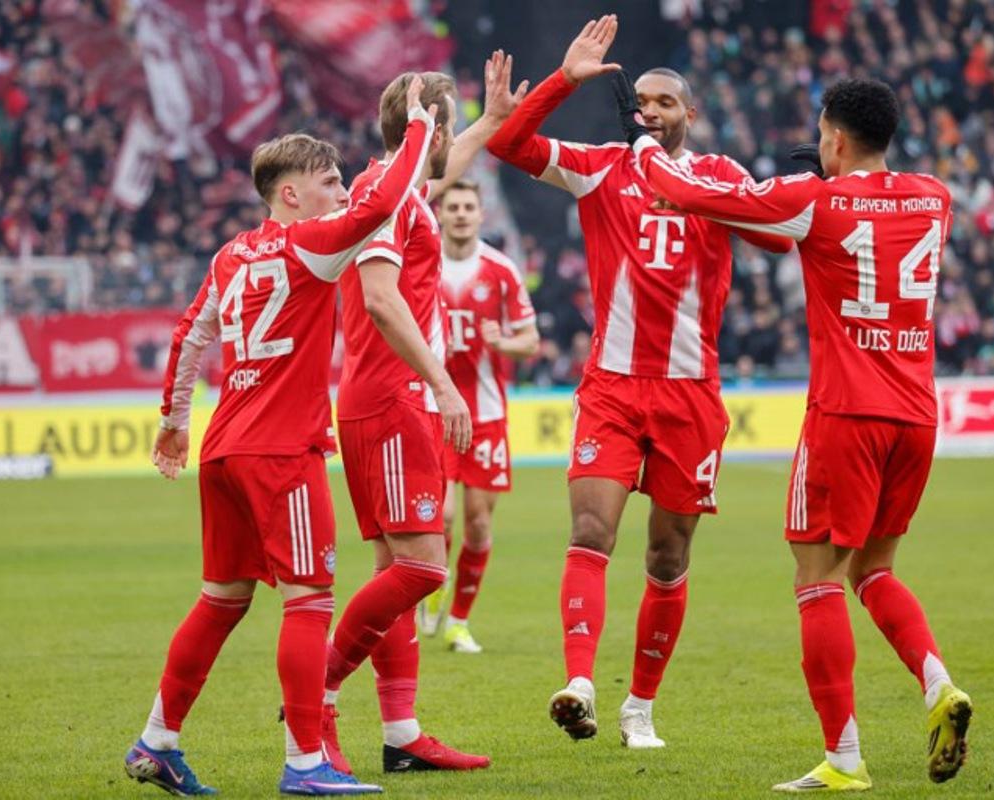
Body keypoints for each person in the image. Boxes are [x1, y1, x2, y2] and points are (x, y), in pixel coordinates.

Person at [616, 73, 973, 791]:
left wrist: (646, 148)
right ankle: (939, 685)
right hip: (917, 415)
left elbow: (695, 196)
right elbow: (872, 212)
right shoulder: (936, 197)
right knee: (875, 570)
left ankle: (844, 759)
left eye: (820, 134)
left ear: (834, 138)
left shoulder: (814, 200)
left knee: (816, 581)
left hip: (846, 414)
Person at [122, 78, 437, 797]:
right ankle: (305, 765)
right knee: (309, 600)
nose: (339, 193)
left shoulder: (231, 256)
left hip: (225, 448)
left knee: (220, 600)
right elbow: (384, 203)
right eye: (327, 182)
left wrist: (175, 423)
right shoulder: (310, 247)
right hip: (280, 453)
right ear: (289, 194)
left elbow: (189, 333)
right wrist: (417, 129)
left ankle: (156, 741)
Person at [486, 16, 791, 749]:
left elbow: (778, 234)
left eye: (663, 103)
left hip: (690, 395)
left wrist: (696, 191)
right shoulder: (600, 166)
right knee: (591, 531)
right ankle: (582, 684)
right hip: (614, 388)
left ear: (690, 114)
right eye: (641, 103)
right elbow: (506, 144)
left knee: (668, 556)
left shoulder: (718, 177)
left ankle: (640, 708)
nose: (647, 111)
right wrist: (563, 79)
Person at [321, 52, 526, 775]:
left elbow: (438, 166)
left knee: (395, 574)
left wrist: (494, 122)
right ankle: (318, 684)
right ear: (427, 126)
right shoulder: (384, 189)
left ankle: (401, 732)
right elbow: (381, 300)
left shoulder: (401, 184)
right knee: (425, 569)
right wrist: (441, 383)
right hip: (393, 397)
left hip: (387, 398)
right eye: (452, 122)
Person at [416, 179, 540, 653]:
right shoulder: (423, 264)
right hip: (438, 408)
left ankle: (458, 622)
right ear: (441, 214)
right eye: (454, 207)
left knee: (479, 523)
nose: (463, 214)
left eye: (470, 206)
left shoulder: (502, 270)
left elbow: (529, 341)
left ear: (481, 214)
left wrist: (501, 341)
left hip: (486, 413)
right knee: (442, 517)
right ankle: (432, 590)